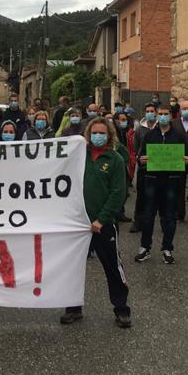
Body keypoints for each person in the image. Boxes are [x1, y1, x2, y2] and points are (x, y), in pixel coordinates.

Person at [60, 118, 132, 328]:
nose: (97, 136)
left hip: (103, 224)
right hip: (78, 224)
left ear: (108, 135)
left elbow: (118, 193)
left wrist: (102, 219)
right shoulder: (78, 156)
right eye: (94, 133)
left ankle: (121, 309)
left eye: (102, 133)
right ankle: (73, 308)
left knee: (112, 267)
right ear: (88, 134)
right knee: (73, 268)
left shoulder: (115, 159)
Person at [134, 103, 187, 265]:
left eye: (166, 114)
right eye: (160, 114)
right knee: (148, 215)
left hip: (171, 180)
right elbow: (140, 156)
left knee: (169, 216)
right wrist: (140, 160)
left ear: (171, 116)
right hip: (152, 180)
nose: (163, 116)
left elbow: (185, 156)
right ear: (157, 116)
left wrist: (185, 160)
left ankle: (167, 248)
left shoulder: (178, 135)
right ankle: (145, 247)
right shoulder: (149, 136)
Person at [129, 104, 159, 234]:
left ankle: (162, 222)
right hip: (144, 167)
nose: (150, 113)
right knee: (141, 196)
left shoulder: (161, 127)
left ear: (156, 112)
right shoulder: (140, 129)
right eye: (147, 111)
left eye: (152, 111)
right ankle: (138, 222)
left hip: (159, 167)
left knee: (159, 196)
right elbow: (136, 147)